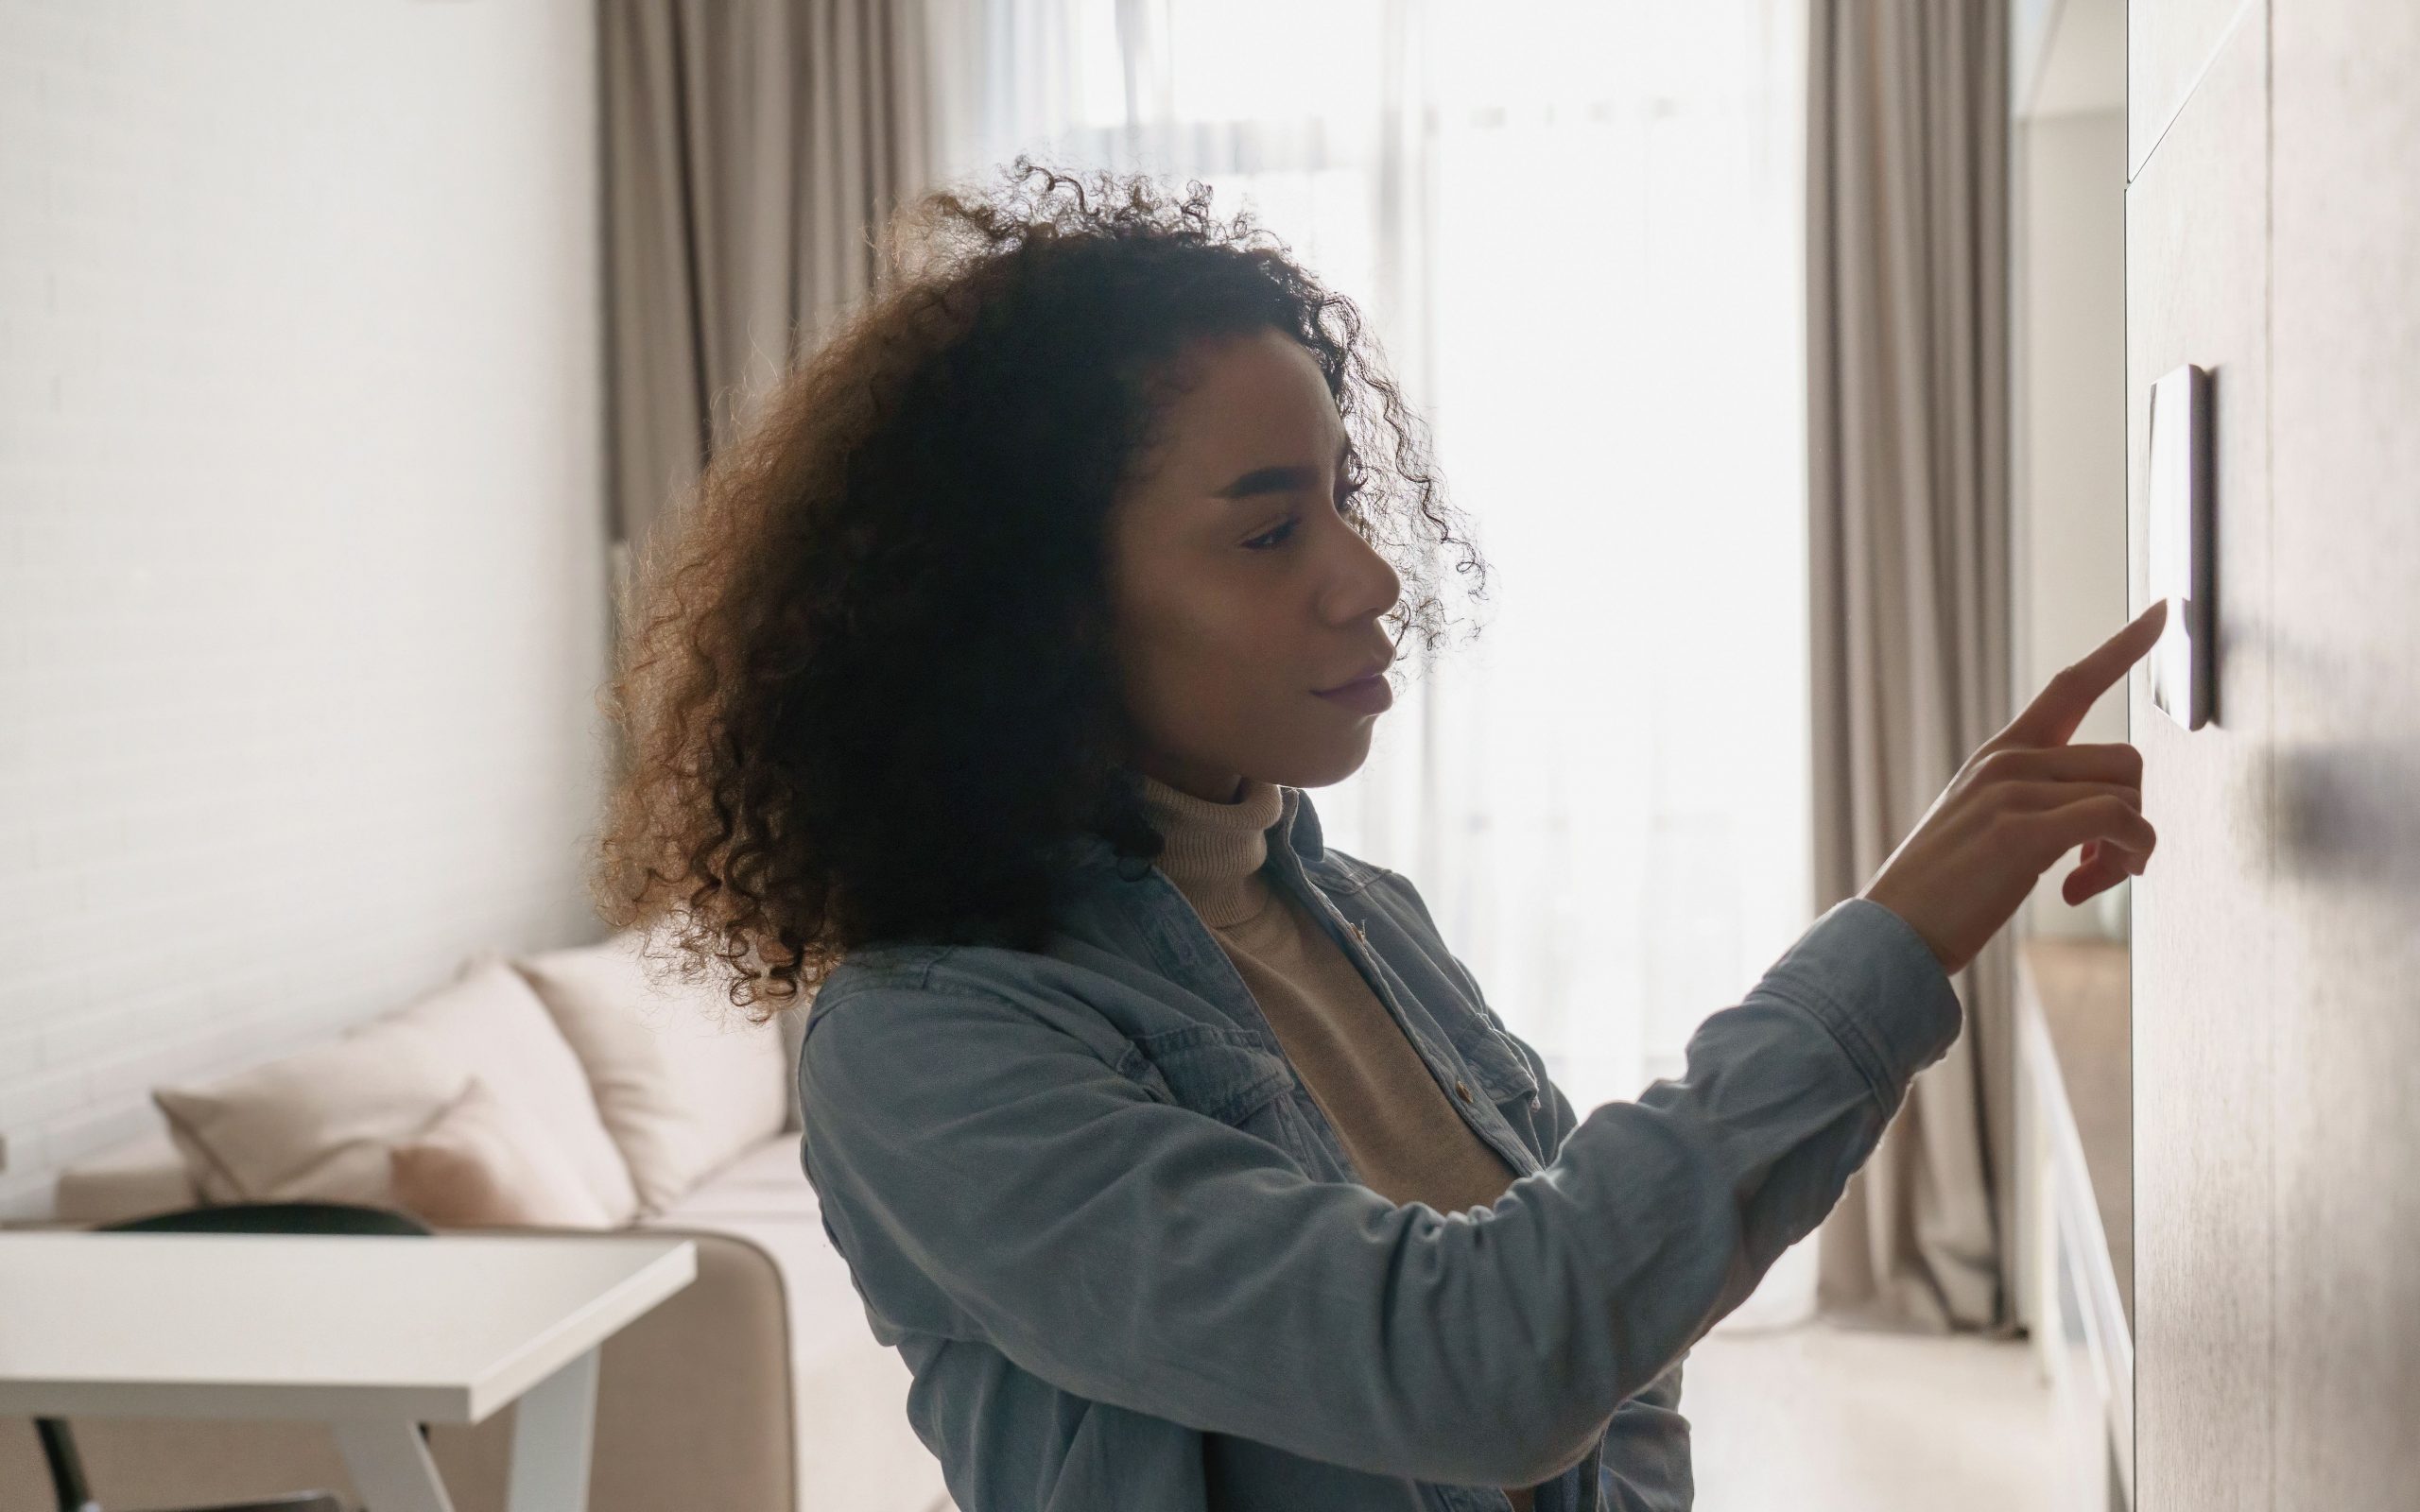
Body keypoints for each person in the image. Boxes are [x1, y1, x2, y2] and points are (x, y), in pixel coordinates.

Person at [592, 159, 2166, 1512]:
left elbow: (1620, 1338)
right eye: (1272, 529)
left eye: (1346, 500)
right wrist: (1888, 946)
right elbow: (1476, 1359)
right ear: (1036, 611)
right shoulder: (931, 1045)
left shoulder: (1364, 917)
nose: (1370, 577)